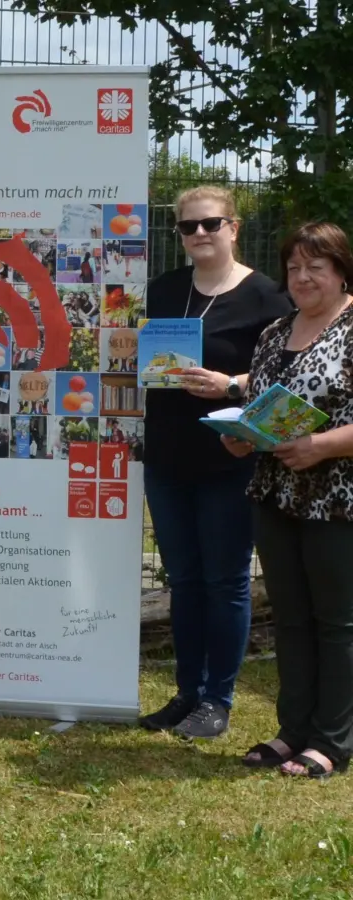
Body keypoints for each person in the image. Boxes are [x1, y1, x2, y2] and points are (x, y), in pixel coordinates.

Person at [139, 185, 292, 740]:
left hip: (231, 458)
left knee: (225, 582)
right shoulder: (164, 289)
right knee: (184, 580)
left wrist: (231, 383)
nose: (200, 234)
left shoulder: (267, 296)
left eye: (211, 224)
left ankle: (217, 700)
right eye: (189, 226)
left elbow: (288, 369)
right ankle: (187, 692)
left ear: (234, 227)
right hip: (167, 457)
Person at [227, 222, 353, 779]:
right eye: (294, 267)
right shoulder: (275, 331)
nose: (302, 278)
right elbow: (261, 405)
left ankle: (333, 740)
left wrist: (320, 446)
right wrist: (240, 434)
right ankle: (293, 731)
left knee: (337, 622)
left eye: (315, 268)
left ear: (341, 271)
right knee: (293, 619)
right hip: (275, 493)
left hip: (338, 499)